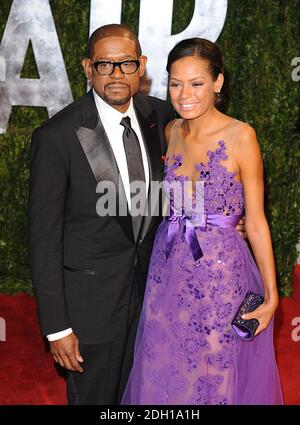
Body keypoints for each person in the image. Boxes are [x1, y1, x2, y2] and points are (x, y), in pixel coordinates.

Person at [28, 25, 245, 405]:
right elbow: (43, 239)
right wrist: (57, 327)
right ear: (87, 68)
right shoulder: (57, 136)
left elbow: (190, 177)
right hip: (90, 310)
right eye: (105, 64)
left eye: (126, 63)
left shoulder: (161, 116)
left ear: (141, 66)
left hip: (156, 301)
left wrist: (219, 218)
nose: (116, 74)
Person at [121, 38, 283, 405]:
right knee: (166, 361)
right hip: (168, 266)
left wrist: (272, 296)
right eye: (175, 83)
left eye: (196, 83)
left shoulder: (241, 136)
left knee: (215, 368)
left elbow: (256, 221)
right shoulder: (172, 131)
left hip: (221, 275)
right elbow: (172, 201)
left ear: (218, 83)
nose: (183, 94)